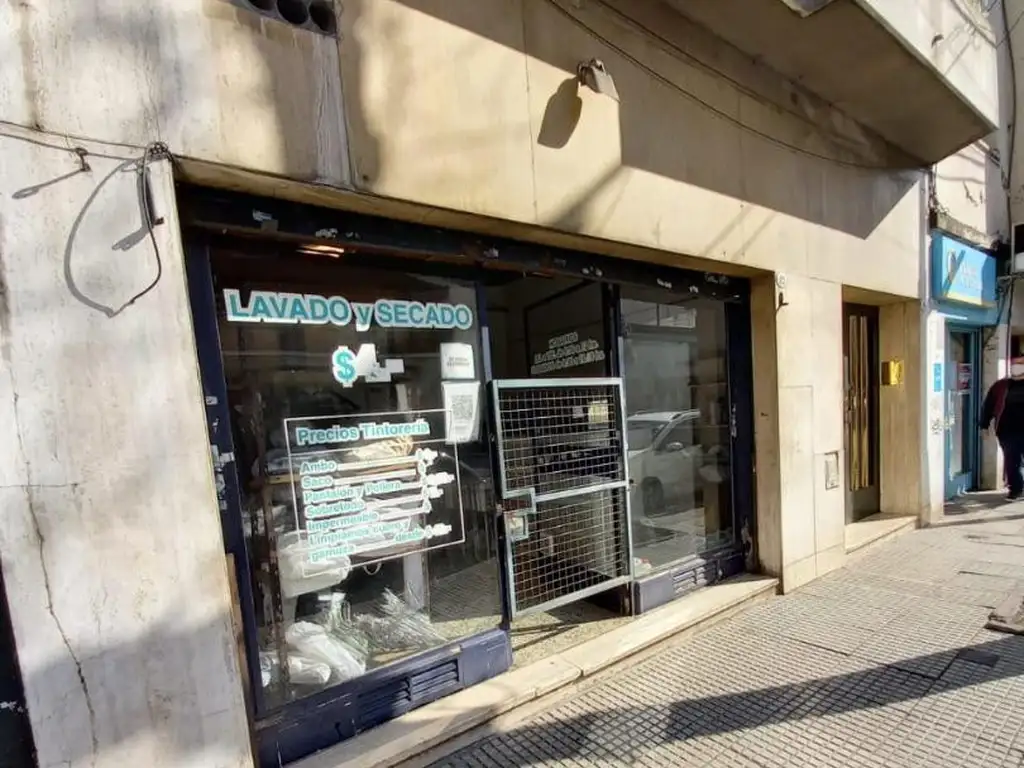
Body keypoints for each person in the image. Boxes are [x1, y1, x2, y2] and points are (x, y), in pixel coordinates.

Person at [980, 356, 1024, 500]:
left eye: (1020, 364)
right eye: (1014, 364)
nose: (1016, 366)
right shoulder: (1001, 386)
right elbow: (988, 405)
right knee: (1012, 461)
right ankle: (1015, 489)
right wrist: (984, 424)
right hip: (1007, 431)